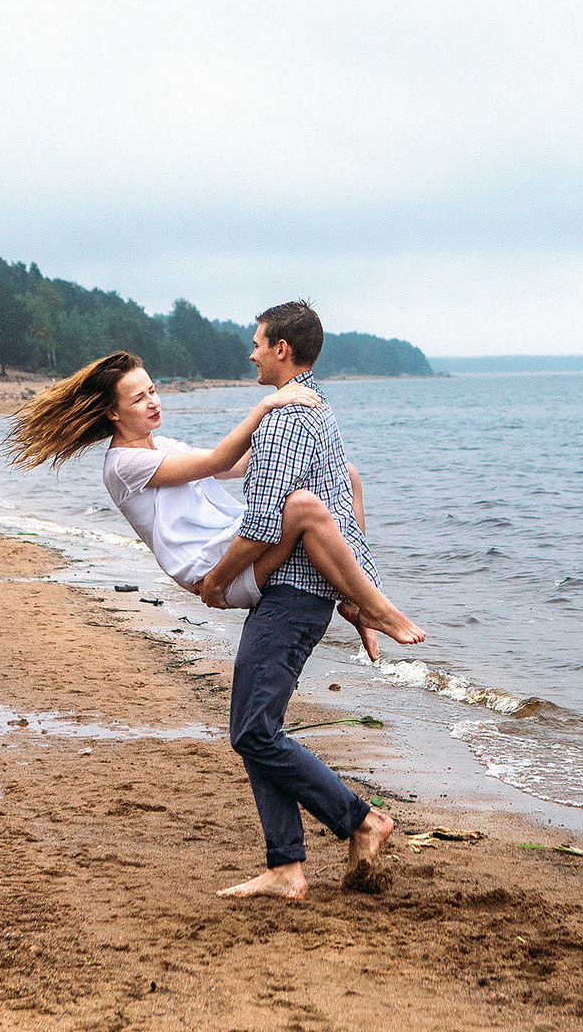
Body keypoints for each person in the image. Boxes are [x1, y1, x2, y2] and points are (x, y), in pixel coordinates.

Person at [2, 351, 423, 657]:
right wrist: (266, 404)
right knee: (303, 508)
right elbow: (218, 459)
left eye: (152, 390)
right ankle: (377, 607)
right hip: (215, 570)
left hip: (230, 545)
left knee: (344, 475)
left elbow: (234, 465)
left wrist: (296, 443)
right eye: (138, 399)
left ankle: (357, 597)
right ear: (112, 413)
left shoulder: (161, 446)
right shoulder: (124, 464)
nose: (154, 402)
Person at [195, 300, 398, 899]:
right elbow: (347, 495)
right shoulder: (317, 412)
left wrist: (214, 580)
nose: (251, 352)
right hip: (303, 594)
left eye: (257, 342)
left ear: (281, 348)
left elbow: (261, 523)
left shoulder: (286, 420)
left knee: (253, 732)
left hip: (290, 594)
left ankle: (361, 819)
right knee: (258, 726)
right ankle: (286, 866)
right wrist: (355, 598)